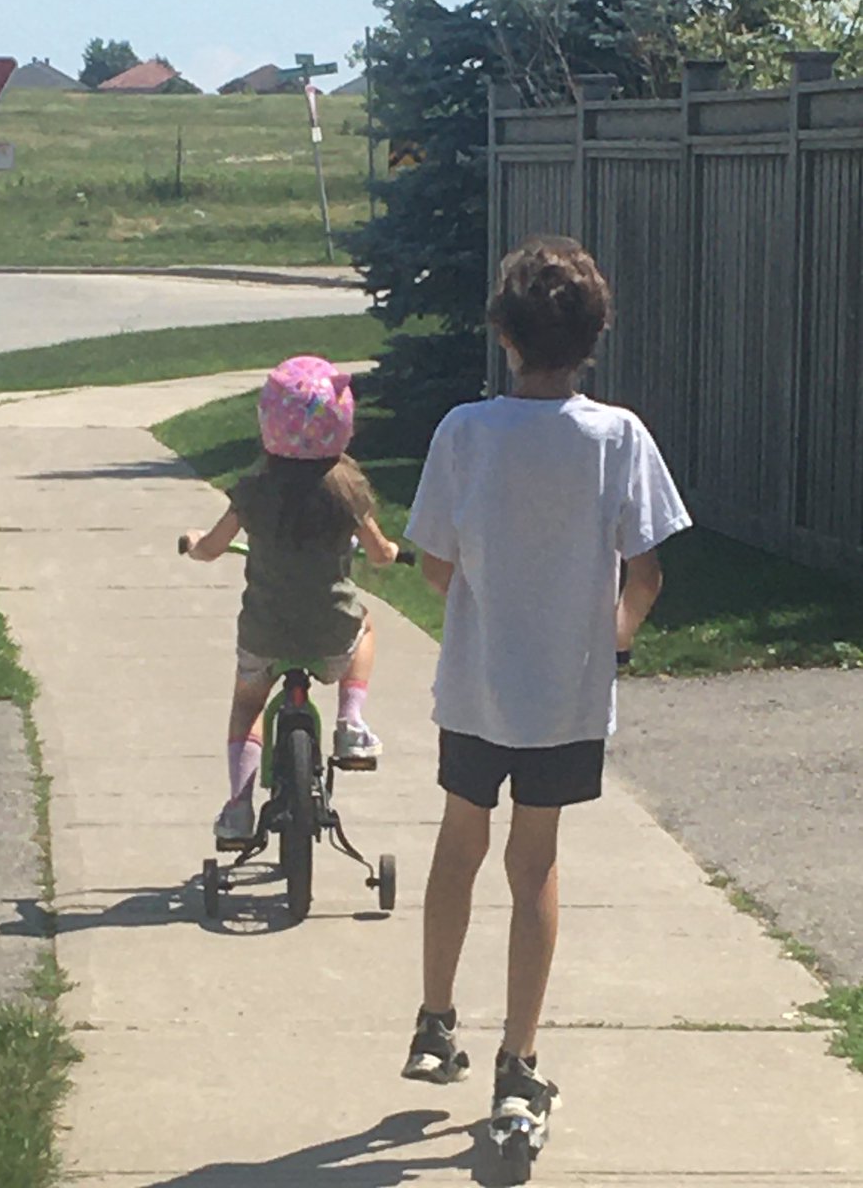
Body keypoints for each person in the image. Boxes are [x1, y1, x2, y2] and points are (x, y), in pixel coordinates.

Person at [400, 236, 692, 1127]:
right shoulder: (616, 438)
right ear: (594, 336)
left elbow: (434, 567)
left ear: (505, 337)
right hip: (564, 698)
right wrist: (615, 640)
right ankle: (517, 1057)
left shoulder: (465, 432)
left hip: (477, 688)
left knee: (460, 844)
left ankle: (434, 1019)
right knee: (535, 866)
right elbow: (646, 572)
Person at [181, 355, 399, 843]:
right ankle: (351, 721)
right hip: (332, 631)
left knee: (247, 704)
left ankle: (239, 805)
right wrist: (389, 553)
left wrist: (196, 544)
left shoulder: (254, 490)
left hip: (265, 630)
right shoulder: (347, 489)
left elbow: (212, 547)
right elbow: (380, 553)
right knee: (366, 624)